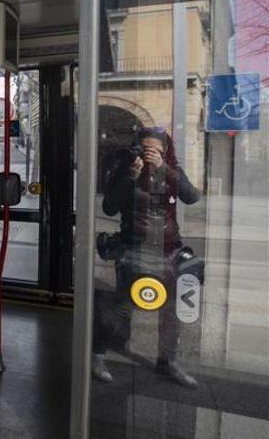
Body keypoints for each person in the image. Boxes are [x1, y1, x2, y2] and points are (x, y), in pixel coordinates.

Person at [92, 127, 201, 387]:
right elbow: (109, 207)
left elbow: (192, 196)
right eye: (145, 148)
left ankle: (168, 362)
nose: (150, 154)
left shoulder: (171, 170)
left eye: (156, 149)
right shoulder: (127, 170)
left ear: (165, 151)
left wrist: (163, 168)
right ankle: (97, 355)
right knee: (121, 307)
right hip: (134, 247)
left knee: (171, 310)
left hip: (169, 247)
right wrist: (130, 176)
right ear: (136, 148)